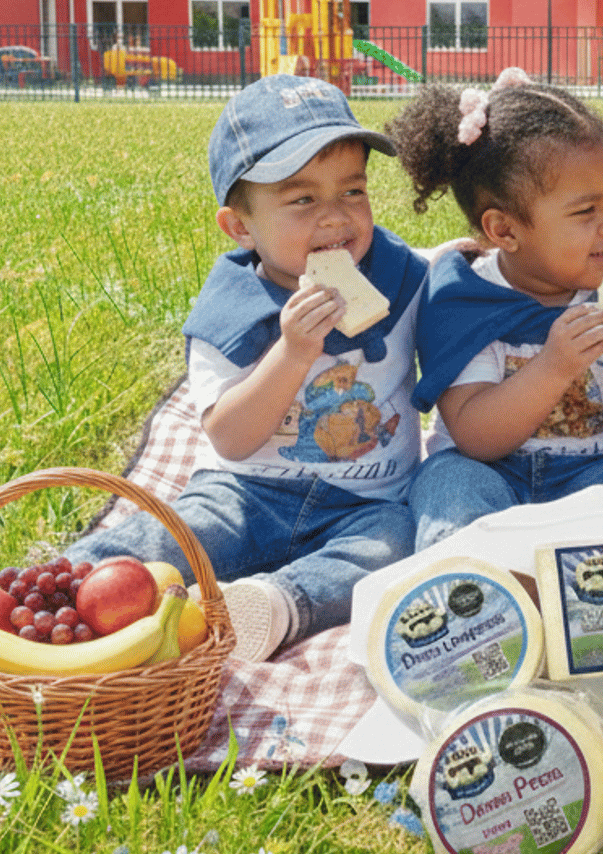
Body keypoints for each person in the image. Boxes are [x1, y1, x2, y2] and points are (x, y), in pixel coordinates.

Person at [57, 74, 428, 662]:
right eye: (303, 199)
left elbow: (451, 290)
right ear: (240, 227)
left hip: (368, 503)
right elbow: (230, 437)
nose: (336, 217)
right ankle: (37, 593)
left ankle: (273, 605)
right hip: (247, 491)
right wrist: (292, 353)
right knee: (172, 536)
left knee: (395, 548)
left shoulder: (401, 275)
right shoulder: (230, 310)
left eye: (353, 191)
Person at [388, 69, 603, 548]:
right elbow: (475, 435)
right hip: (487, 471)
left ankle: (596, 592)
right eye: (585, 212)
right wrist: (554, 367)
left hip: (596, 471)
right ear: (505, 231)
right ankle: (487, 593)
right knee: (451, 493)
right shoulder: (465, 297)